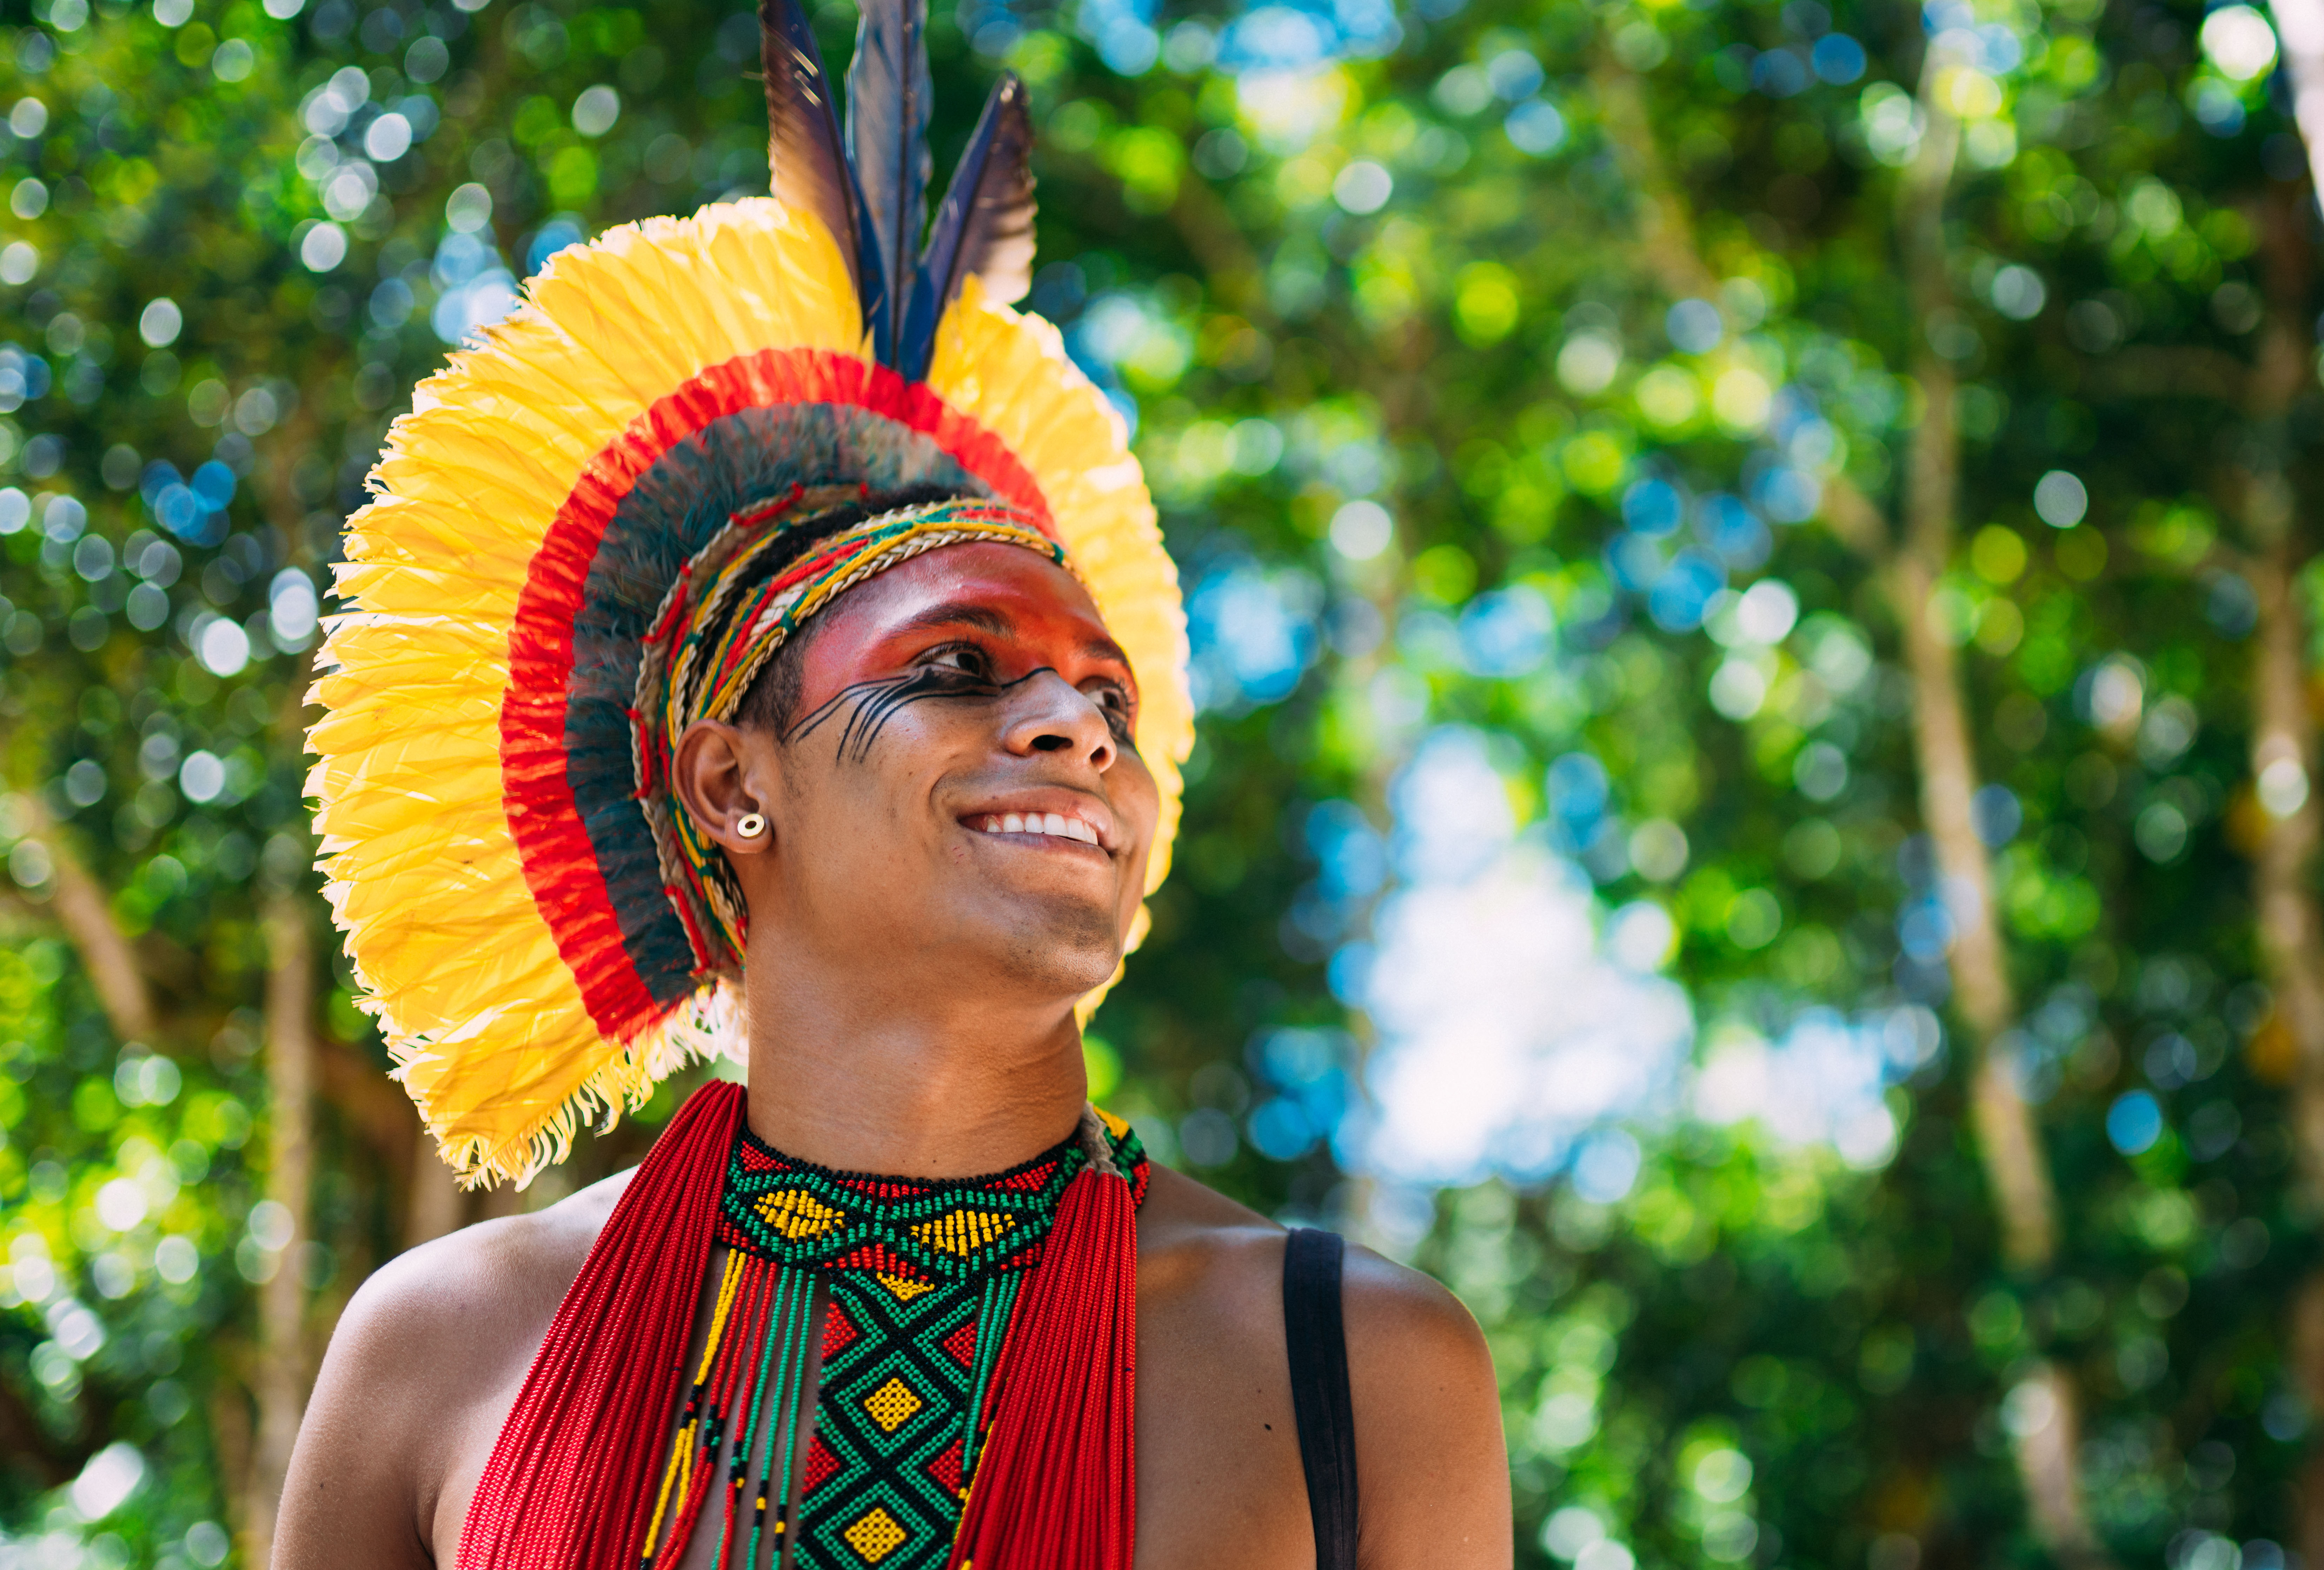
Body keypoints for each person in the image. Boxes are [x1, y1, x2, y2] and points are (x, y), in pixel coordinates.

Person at [267, 9, 1510, 1566]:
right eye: (955, 670)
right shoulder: (446, 1351)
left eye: (1106, 693)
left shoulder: (1355, 1366)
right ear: (733, 784)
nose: (1078, 725)